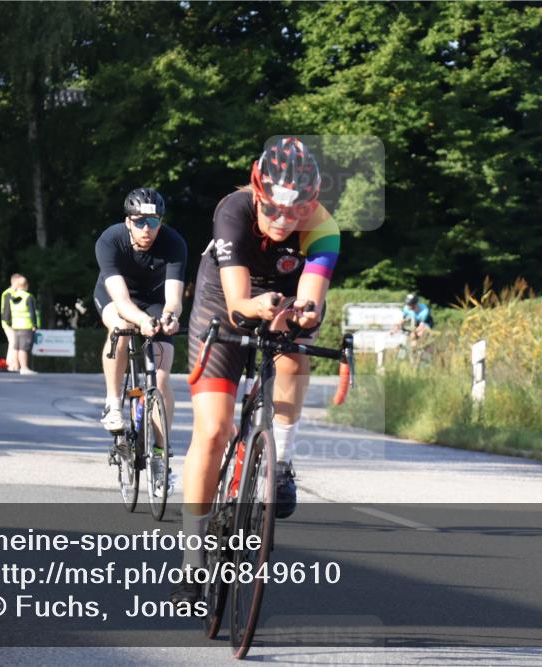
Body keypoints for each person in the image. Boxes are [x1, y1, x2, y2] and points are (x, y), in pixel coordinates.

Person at [172, 137, 339, 604]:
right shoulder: (234, 210)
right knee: (213, 430)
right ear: (258, 193)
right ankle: (192, 556)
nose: (285, 223)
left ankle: (280, 460)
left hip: (282, 298)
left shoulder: (324, 227)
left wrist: (302, 314)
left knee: (295, 352)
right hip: (222, 300)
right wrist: (257, 307)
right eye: (274, 211)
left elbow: (313, 297)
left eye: (297, 213)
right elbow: (238, 302)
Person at [94, 188, 186, 437]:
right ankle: (113, 405)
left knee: (162, 377)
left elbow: (174, 299)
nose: (146, 228)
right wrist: (142, 320)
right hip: (116, 296)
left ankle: (160, 456)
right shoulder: (110, 240)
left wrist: (170, 317)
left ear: (161, 222)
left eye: (153, 222)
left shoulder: (174, 243)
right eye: (139, 222)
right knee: (120, 329)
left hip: (153, 300)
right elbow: (122, 301)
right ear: (128, 222)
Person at [1, 275, 40, 375]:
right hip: (25, 325)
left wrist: (9, 323)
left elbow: (8, 311)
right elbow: (32, 312)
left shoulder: (12, 296)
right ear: (26, 285)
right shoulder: (27, 297)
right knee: (23, 348)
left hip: (15, 325)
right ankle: (24, 367)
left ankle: (15, 366)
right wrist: (34, 324)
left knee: (16, 347)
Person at [1, 274, 22, 372]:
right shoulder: (9, 293)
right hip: (9, 323)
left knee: (13, 343)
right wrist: (9, 322)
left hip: (12, 322)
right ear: (15, 282)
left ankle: (12, 364)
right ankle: (11, 364)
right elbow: (7, 310)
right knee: (13, 342)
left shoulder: (13, 292)